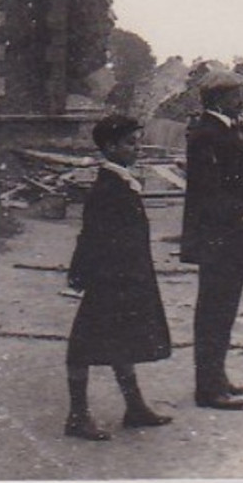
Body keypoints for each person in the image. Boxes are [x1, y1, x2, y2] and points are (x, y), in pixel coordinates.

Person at [64, 114, 174, 440]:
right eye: (130, 143)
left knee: (122, 339)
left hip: (128, 276)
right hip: (109, 278)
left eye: (138, 141)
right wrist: (81, 276)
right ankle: (77, 416)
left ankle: (135, 407)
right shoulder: (107, 188)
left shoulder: (122, 182)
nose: (137, 148)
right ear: (109, 147)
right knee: (82, 345)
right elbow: (91, 236)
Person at [180, 69, 243, 409]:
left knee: (223, 308)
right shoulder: (206, 134)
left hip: (230, 236)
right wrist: (238, 210)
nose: (241, 99)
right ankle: (208, 388)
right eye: (236, 94)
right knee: (214, 310)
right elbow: (206, 186)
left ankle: (217, 377)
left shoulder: (223, 129)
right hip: (220, 235)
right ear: (220, 97)